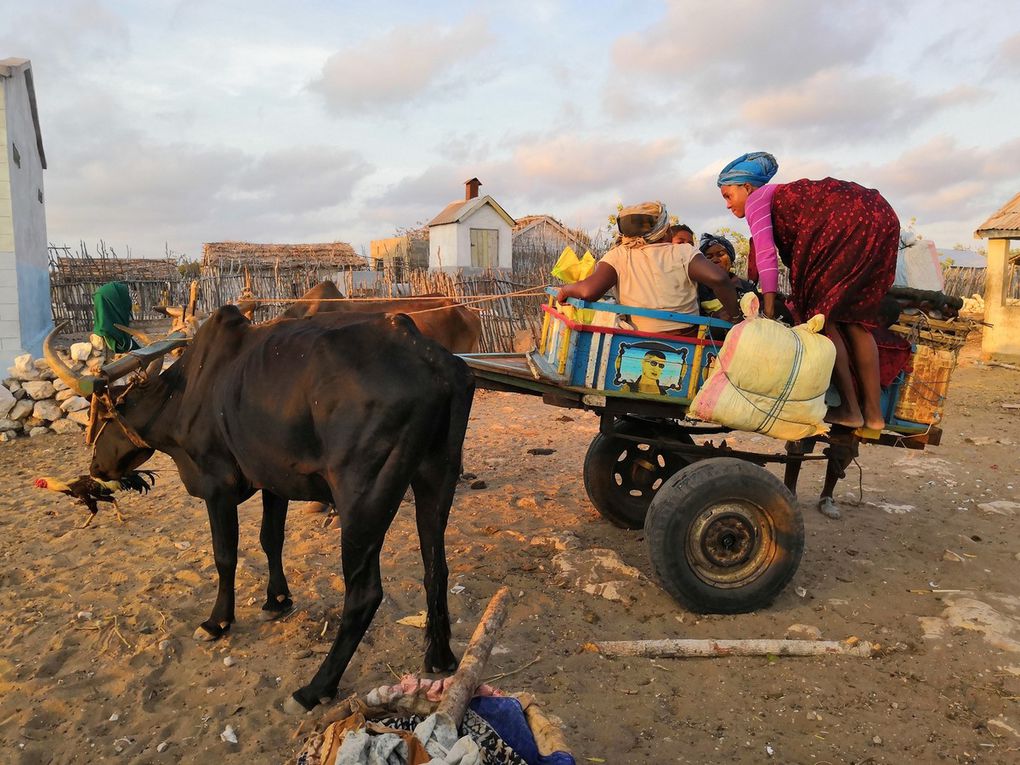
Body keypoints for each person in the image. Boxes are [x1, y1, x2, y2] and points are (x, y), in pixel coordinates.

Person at [717, 151, 899, 432]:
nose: (728, 205)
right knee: (855, 322)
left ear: (748, 187)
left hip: (844, 223)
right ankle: (873, 415)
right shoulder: (793, 195)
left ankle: (851, 410)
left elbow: (766, 254)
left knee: (821, 321)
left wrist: (767, 307)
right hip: (880, 215)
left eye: (729, 195)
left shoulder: (759, 199)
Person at [557, 202, 740, 334]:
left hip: (636, 341)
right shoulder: (684, 252)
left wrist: (566, 289)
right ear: (665, 231)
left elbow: (588, 291)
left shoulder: (619, 254)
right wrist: (735, 317)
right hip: (687, 339)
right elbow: (719, 279)